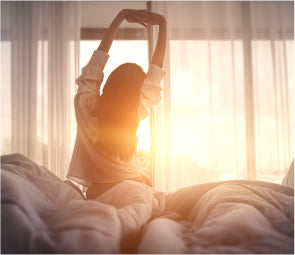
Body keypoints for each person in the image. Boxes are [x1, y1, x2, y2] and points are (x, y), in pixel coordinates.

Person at [67, 9, 167, 199]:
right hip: (137, 186)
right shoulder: (136, 110)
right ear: (137, 93)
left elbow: (95, 64)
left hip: (100, 191)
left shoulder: (86, 106)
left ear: (109, 84)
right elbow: (155, 71)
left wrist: (120, 17)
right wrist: (162, 23)